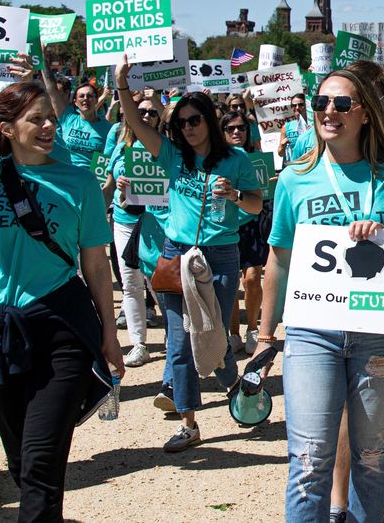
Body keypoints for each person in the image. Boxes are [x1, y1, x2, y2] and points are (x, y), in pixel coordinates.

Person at [251, 69, 384, 522]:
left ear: (365, 114)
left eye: (341, 104)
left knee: (372, 457)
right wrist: (263, 335)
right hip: (313, 331)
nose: (328, 112)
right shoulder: (295, 179)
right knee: (308, 459)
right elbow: (279, 260)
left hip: (379, 334)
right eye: (321, 104)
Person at [0, 81, 124, 521]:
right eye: (36, 119)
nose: (48, 126)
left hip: (63, 326)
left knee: (43, 458)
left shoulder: (79, 182)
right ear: (6, 128)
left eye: (51, 118)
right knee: (24, 461)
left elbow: (97, 266)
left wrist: (109, 334)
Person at [115, 59, 265, 452]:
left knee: (213, 331)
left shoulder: (237, 160)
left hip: (220, 257)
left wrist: (234, 194)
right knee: (180, 340)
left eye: (195, 120)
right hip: (176, 256)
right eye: (181, 122)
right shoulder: (172, 156)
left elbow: (254, 206)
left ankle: (235, 385)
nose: (188, 127)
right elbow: (136, 122)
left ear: (209, 121)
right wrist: (121, 87)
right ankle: (188, 423)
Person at [102, 99, 166, 368]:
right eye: (141, 112)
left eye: (153, 112)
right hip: (124, 220)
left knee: (160, 282)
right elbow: (107, 185)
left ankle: (172, 336)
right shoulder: (120, 147)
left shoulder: (165, 148)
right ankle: (139, 344)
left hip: (157, 223)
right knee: (130, 284)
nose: (148, 116)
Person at [220, 111, 272, 356]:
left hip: (252, 223)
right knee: (230, 282)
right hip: (227, 226)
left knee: (251, 278)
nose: (237, 132)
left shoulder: (257, 159)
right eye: (230, 129)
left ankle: (253, 328)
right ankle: (233, 333)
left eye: (241, 127)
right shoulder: (217, 160)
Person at [42, 76, 114, 170]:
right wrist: (43, 63)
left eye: (90, 96)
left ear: (96, 100)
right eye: (81, 96)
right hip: (66, 174)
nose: (85, 99)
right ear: (75, 102)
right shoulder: (67, 118)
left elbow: (111, 160)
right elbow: (52, 90)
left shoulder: (109, 129)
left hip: (90, 179)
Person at [277, 92, 310, 160]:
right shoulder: (287, 127)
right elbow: (280, 154)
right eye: (294, 105)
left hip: (310, 165)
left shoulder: (313, 124)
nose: (297, 107)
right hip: (294, 166)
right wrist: (282, 145)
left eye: (301, 105)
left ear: (306, 105)